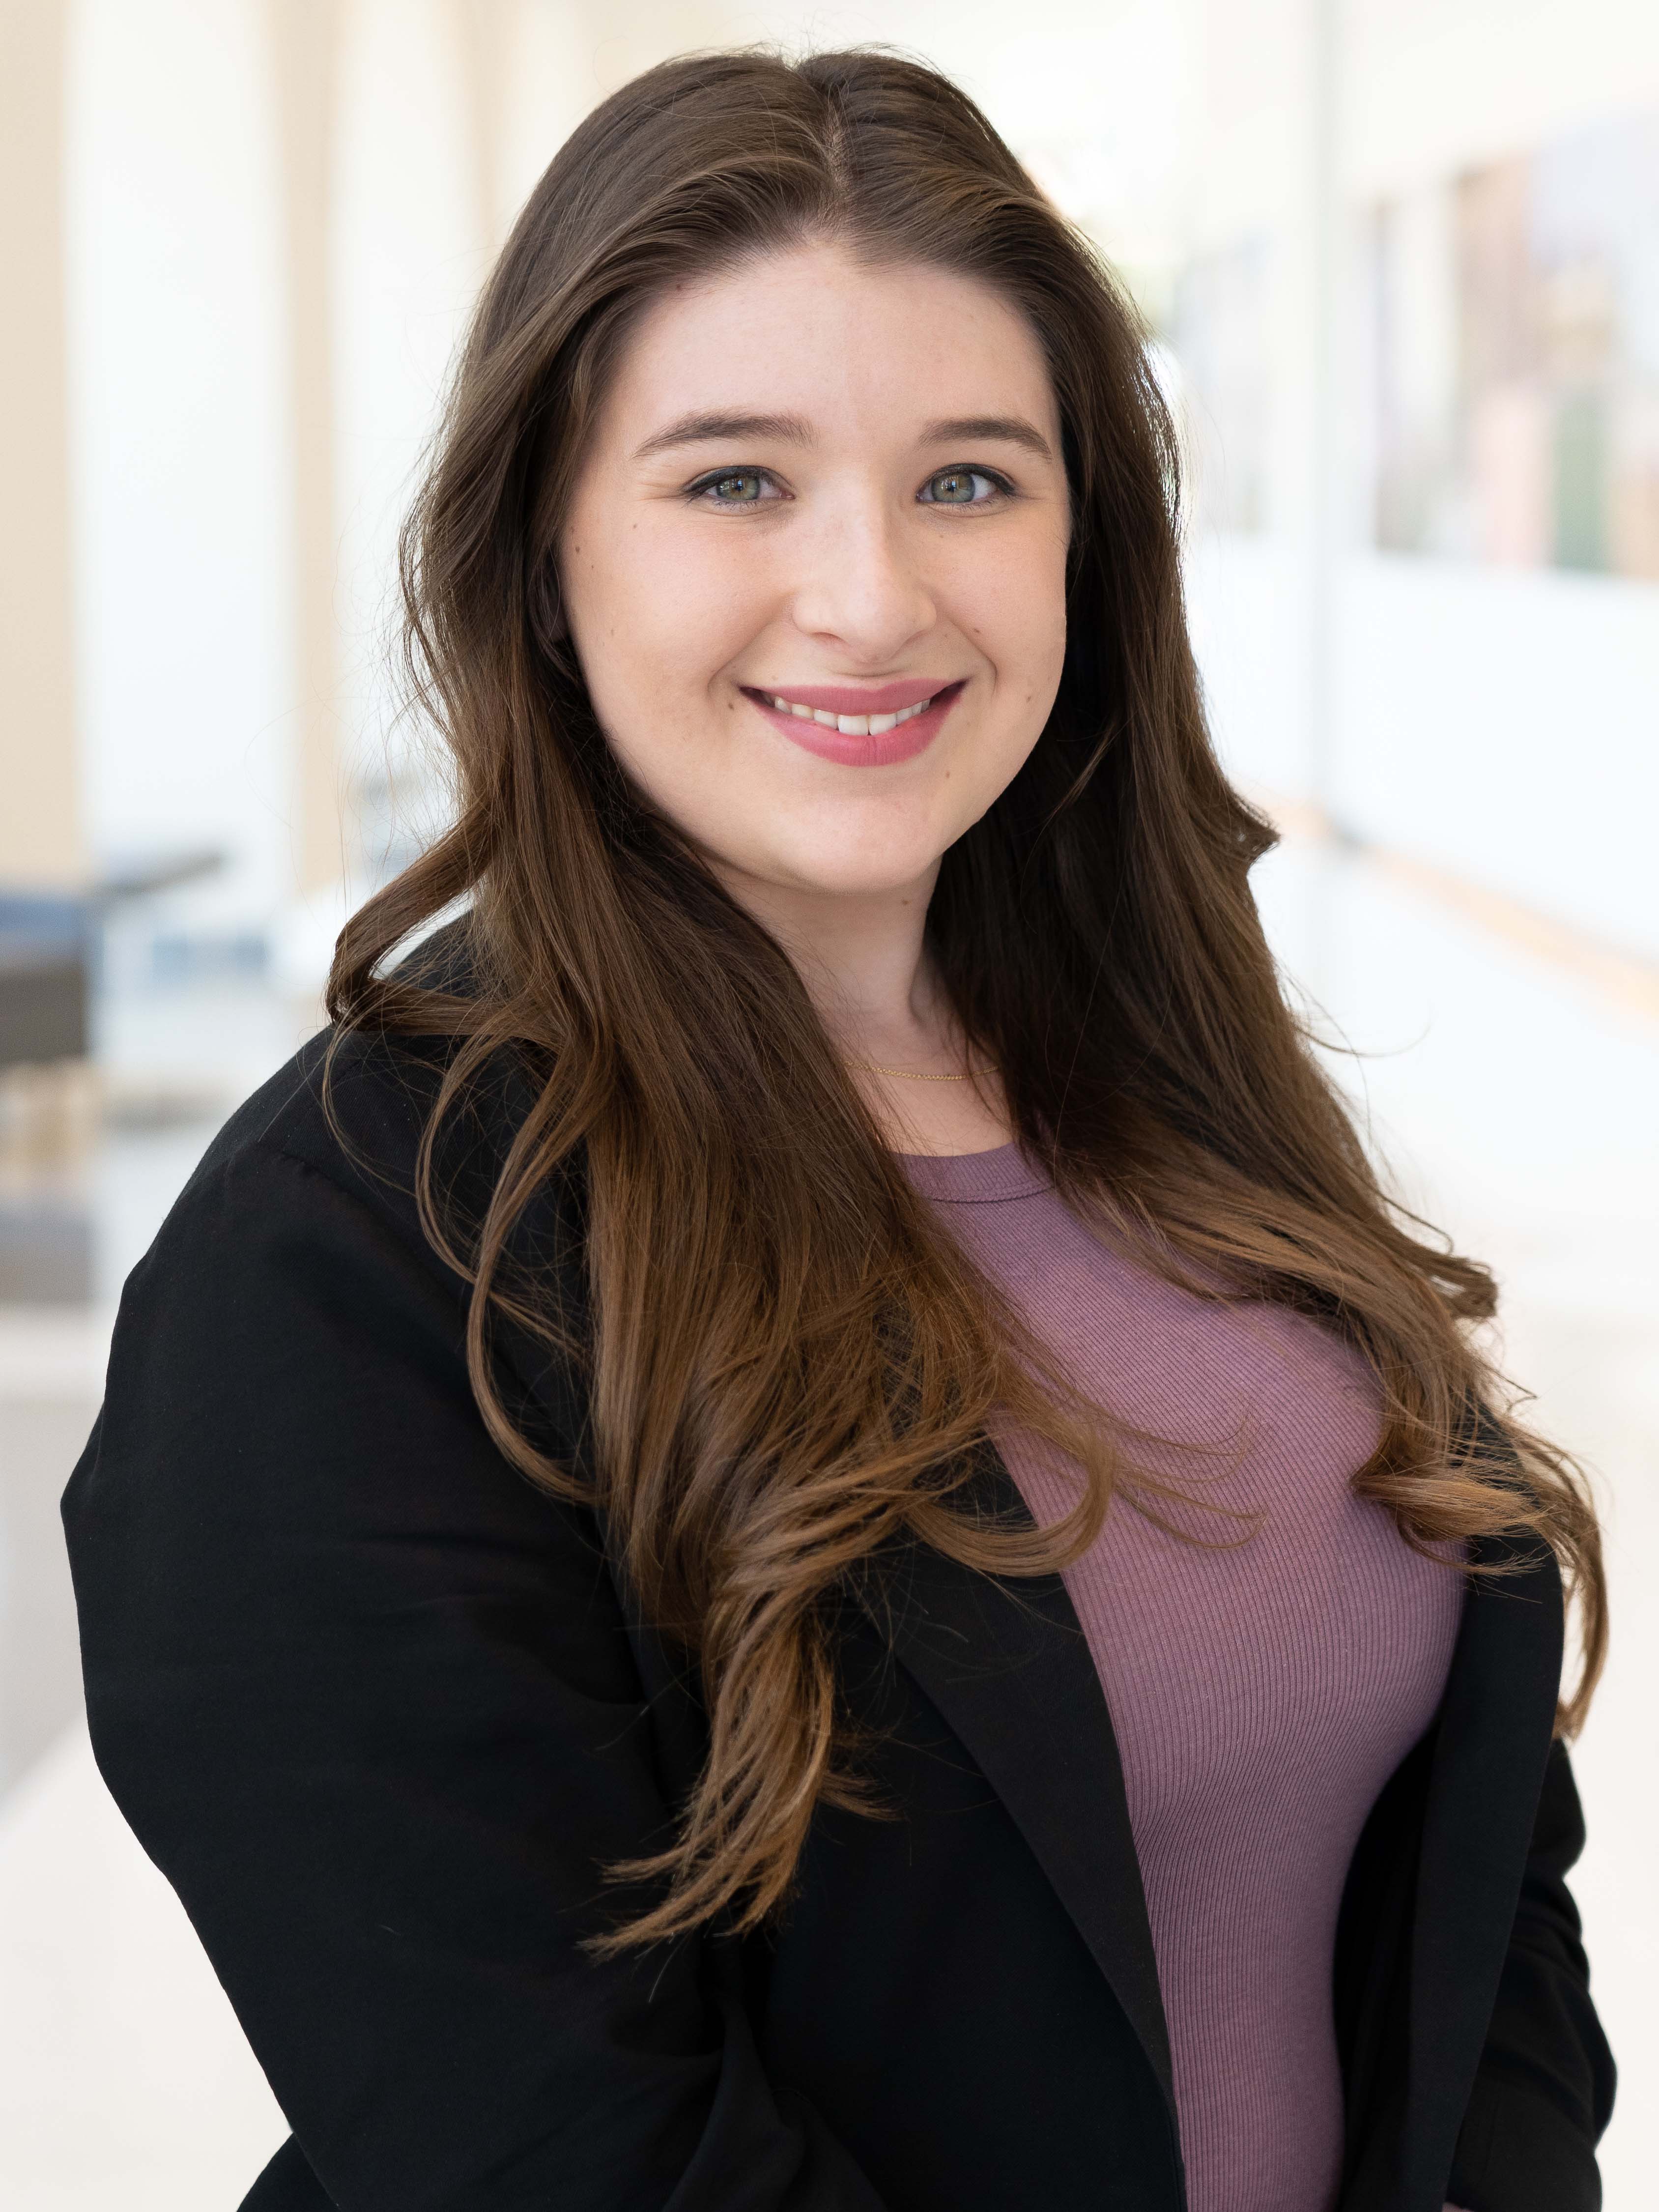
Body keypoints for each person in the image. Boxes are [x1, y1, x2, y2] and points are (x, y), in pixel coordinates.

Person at [62, 47, 1612, 2212]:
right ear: (544, 551)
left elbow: (1466, 1860)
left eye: (969, 479)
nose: (872, 595)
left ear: (1091, 543)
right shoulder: (352, 1247)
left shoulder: (1174, 1091)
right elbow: (552, 2143)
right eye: (734, 481)